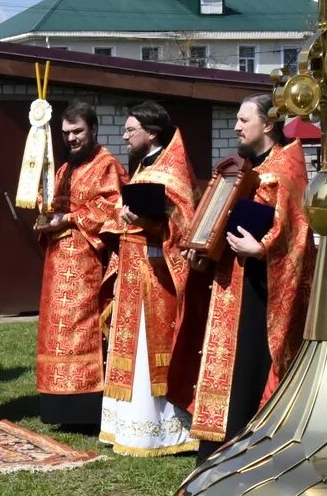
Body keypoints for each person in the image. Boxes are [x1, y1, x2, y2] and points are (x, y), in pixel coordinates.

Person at [190, 93, 314, 460]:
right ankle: (217, 446)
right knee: (226, 361)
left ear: (268, 124)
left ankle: (251, 446)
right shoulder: (240, 168)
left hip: (263, 284)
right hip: (230, 279)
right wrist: (203, 250)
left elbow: (298, 232)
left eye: (244, 120)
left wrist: (262, 250)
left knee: (250, 363)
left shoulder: (286, 168)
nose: (236, 127)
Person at [97, 102, 200, 457]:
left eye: (130, 130)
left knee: (149, 347)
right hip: (131, 270)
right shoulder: (143, 167)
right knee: (129, 346)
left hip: (157, 273)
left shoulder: (172, 172)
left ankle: (159, 431)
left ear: (151, 133)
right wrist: (123, 214)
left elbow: (184, 223)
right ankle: (125, 426)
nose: (124, 136)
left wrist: (148, 221)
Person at [31, 103, 126, 428]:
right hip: (57, 265)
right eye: (66, 134)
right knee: (57, 331)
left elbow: (113, 209)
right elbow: (55, 205)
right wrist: (45, 219)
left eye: (78, 132)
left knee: (82, 332)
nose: (71, 139)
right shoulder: (63, 169)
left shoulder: (107, 165)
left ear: (94, 130)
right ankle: (59, 407)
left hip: (88, 265)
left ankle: (87, 407)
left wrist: (69, 218)